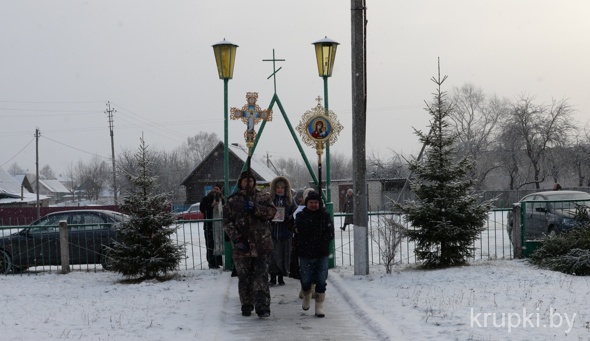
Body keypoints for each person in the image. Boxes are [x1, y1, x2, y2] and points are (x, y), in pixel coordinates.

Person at [223, 170, 277, 318]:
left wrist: (256, 209)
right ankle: (246, 304)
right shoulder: (232, 201)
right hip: (242, 246)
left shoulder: (263, 197)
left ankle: (263, 307)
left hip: (262, 245)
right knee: (244, 277)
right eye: (246, 181)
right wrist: (237, 239)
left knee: (261, 277)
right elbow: (227, 223)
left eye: (251, 181)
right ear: (241, 183)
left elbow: (272, 213)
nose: (249, 184)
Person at [295, 191, 335, 318]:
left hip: (321, 253)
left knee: (321, 280)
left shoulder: (325, 216)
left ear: (319, 203)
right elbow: (299, 230)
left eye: (316, 203)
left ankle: (319, 305)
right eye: (311, 202)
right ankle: (307, 294)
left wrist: (323, 240)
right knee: (306, 279)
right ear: (307, 203)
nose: (313, 205)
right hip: (306, 253)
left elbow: (330, 233)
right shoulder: (301, 216)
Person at [268, 176, 298, 286]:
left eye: (282, 187)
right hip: (272, 232)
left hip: (285, 233)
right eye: (277, 187)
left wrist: (287, 218)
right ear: (274, 188)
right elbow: (265, 213)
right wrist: (271, 218)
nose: (280, 190)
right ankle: (272, 277)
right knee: (273, 256)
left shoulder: (290, 201)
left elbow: (295, 214)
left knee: (283, 255)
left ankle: (281, 277)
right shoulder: (270, 200)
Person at [199, 184, 224, 269]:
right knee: (210, 244)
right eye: (214, 189)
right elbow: (202, 209)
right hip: (209, 225)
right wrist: (211, 205)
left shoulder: (223, 199)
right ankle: (212, 262)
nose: (215, 191)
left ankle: (220, 260)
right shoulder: (206, 199)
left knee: (220, 243)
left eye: (217, 189)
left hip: (221, 226)